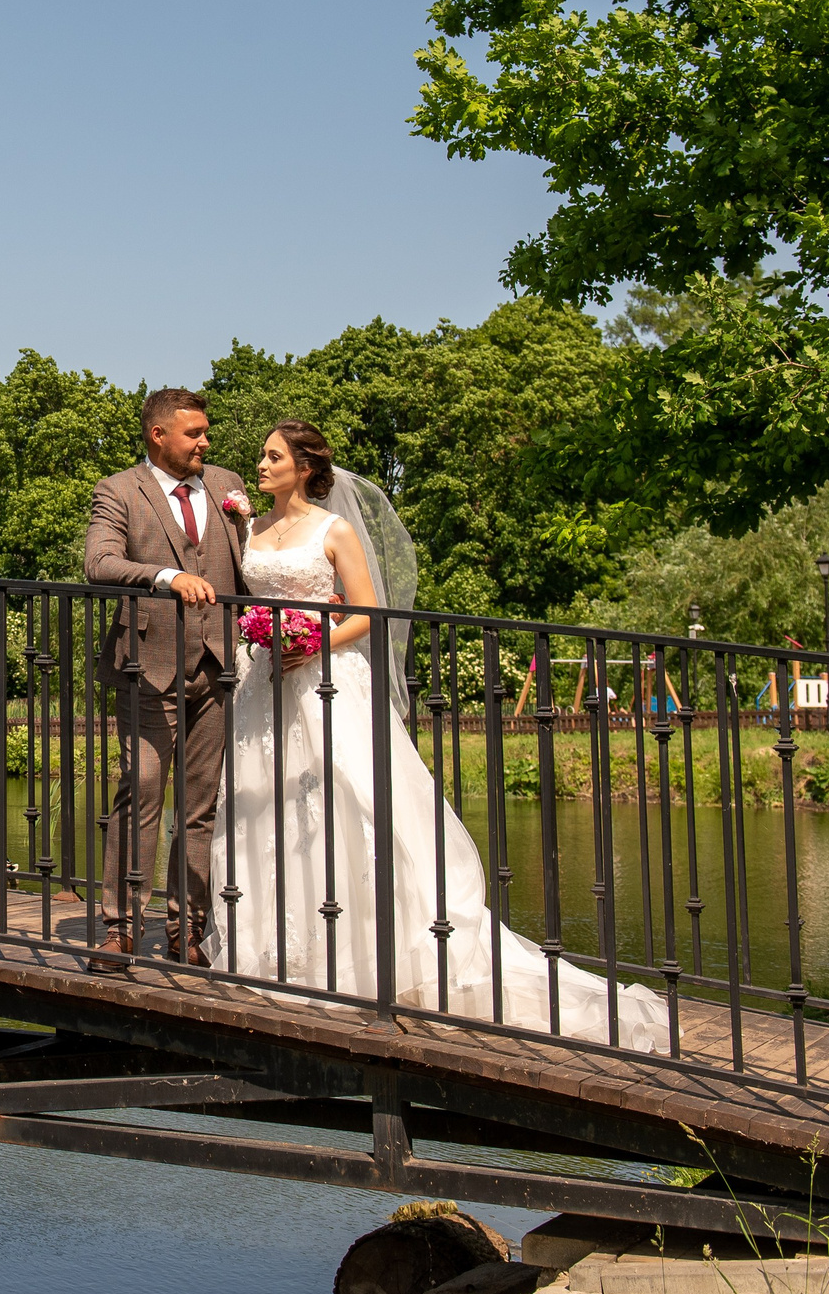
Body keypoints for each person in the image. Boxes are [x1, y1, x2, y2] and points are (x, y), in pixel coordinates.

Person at [212, 418, 669, 1054]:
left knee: (353, 802)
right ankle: (277, 952)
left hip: (326, 680)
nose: (260, 466)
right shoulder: (251, 529)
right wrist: (266, 639)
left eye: (272, 456)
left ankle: (378, 955)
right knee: (268, 809)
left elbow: (369, 613)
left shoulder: (333, 529)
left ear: (306, 468)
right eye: (262, 457)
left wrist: (312, 638)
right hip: (265, 687)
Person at [81, 387, 254, 972]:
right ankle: (121, 929)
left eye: (206, 432)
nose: (206, 442)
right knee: (142, 795)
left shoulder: (229, 486)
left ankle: (188, 931)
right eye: (195, 433)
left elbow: (255, 564)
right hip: (147, 669)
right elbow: (99, 564)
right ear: (160, 435)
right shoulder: (120, 490)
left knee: (200, 807)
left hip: (219, 667)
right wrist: (165, 576)